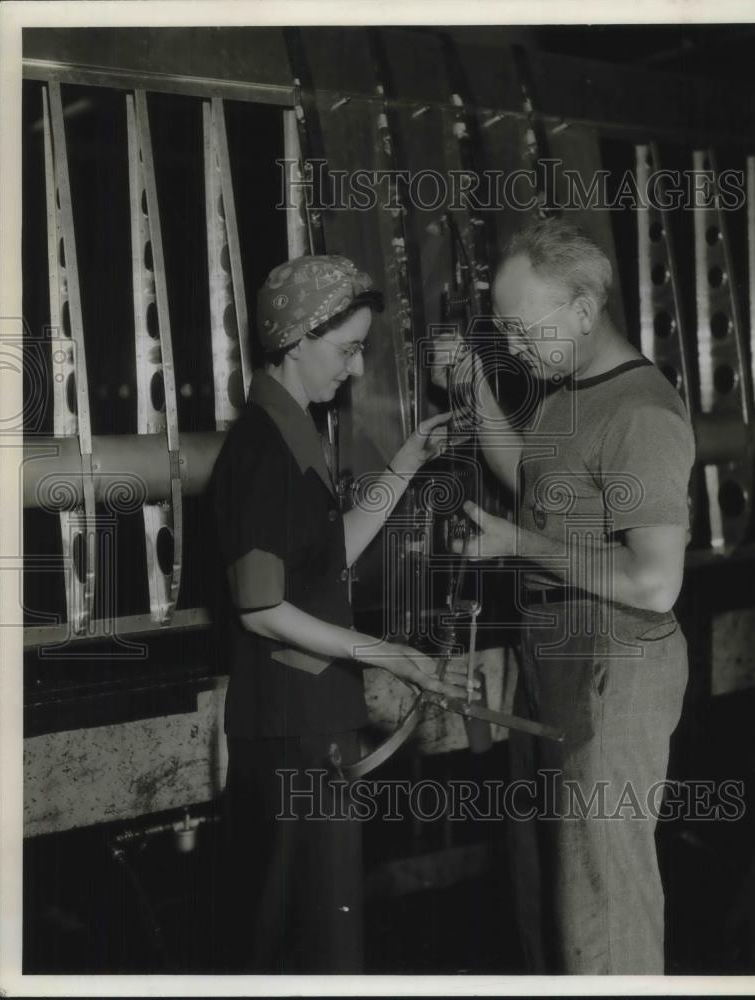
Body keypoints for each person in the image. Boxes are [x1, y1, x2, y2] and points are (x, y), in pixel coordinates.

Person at [431, 219, 695, 974]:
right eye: (502, 327)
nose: (512, 342)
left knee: (600, 906)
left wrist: (519, 545)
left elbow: (654, 580)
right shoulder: (565, 394)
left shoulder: (641, 412)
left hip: (613, 658)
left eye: (523, 325)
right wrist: (473, 387)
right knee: (545, 899)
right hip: (550, 655)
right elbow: (533, 480)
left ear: (583, 311)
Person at [210, 254, 474, 973]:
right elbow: (261, 607)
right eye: (347, 349)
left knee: (308, 938)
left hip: (308, 718)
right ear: (296, 341)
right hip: (295, 727)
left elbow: (327, 562)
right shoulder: (263, 451)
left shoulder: (293, 434)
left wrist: (407, 465)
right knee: (311, 948)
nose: (356, 370)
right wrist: (388, 654)